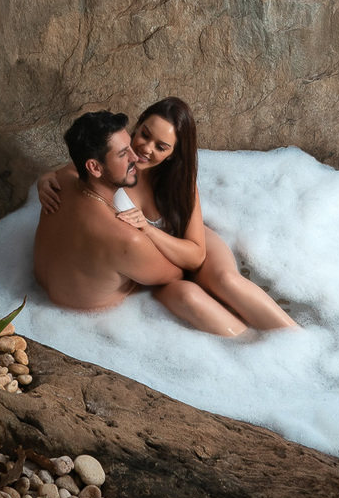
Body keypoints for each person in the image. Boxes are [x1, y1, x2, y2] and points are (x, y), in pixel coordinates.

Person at [38, 97, 299, 337]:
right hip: (142, 264)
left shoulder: (178, 183)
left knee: (227, 281)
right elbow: (81, 168)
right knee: (188, 296)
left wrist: (150, 231)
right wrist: (44, 179)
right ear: (137, 126)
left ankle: (297, 339)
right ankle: (254, 346)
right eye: (143, 134)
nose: (143, 150)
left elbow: (195, 257)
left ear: (173, 153)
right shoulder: (113, 167)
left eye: (161, 146)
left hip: (177, 248)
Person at [33, 110, 185, 312]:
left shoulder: (57, 182)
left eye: (130, 146)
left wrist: (43, 179)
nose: (135, 157)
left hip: (38, 295)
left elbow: (71, 167)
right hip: (88, 322)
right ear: (94, 168)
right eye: (124, 153)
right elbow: (177, 274)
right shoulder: (127, 239)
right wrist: (149, 232)